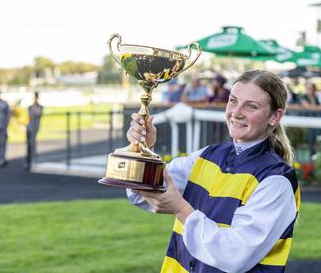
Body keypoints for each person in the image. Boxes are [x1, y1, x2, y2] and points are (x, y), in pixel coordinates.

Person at [126, 70, 300, 273]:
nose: (236, 113)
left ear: (275, 116)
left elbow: (234, 255)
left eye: (250, 106)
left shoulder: (276, 181)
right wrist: (144, 150)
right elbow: (140, 195)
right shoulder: (206, 156)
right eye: (233, 101)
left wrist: (181, 209)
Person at [24, 92, 43, 170]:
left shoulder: (40, 107)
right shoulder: (30, 107)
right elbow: (29, 116)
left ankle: (33, 161)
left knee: (33, 144)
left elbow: (38, 115)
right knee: (29, 144)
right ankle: (29, 161)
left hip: (35, 127)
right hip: (30, 127)